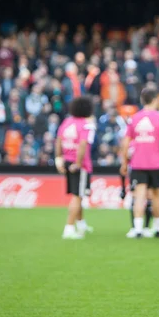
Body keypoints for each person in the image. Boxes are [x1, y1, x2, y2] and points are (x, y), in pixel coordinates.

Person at [120, 88, 159, 238]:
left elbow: (126, 142)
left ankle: (138, 229)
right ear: (156, 99)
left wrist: (124, 162)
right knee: (156, 196)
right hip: (157, 163)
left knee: (139, 196)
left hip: (138, 163)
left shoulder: (134, 118)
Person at [55, 96, 96, 239]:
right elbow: (83, 144)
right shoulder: (86, 125)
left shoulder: (67, 122)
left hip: (67, 161)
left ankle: (81, 224)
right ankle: (69, 228)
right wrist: (79, 164)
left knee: (78, 194)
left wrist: (58, 158)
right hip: (80, 165)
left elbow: (59, 140)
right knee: (77, 196)